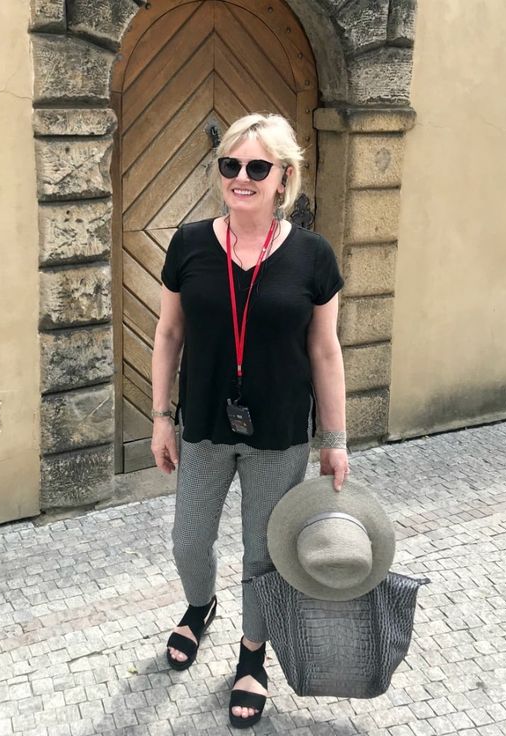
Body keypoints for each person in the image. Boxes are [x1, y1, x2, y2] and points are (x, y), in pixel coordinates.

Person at [150, 112, 349, 728]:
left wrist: (334, 440)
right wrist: (161, 417)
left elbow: (325, 350)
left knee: (264, 555)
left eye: (257, 167)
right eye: (230, 165)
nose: (242, 177)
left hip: (280, 434)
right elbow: (169, 332)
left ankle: (252, 656)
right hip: (205, 424)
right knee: (189, 540)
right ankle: (200, 606)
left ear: (283, 177)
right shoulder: (187, 244)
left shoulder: (313, 256)